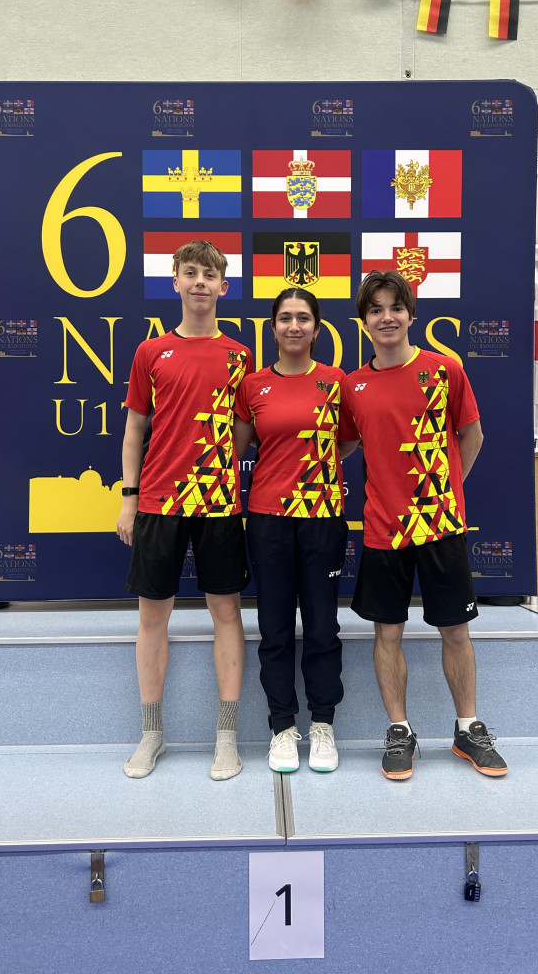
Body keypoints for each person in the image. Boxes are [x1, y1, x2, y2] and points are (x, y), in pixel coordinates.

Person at [340, 270, 508, 780]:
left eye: (395, 307)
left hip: (440, 525)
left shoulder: (443, 370)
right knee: (387, 631)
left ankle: (468, 728)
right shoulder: (353, 385)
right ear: (364, 321)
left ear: (411, 315)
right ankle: (399, 731)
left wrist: (448, 491)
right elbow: (343, 445)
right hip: (382, 529)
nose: (386, 317)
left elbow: (472, 435)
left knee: (455, 629)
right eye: (375, 309)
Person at [116, 240, 252, 781]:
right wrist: (130, 496)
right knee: (153, 616)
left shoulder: (240, 357)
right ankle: (151, 735)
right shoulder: (151, 353)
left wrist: (219, 471)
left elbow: (243, 434)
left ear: (224, 287)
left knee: (226, 613)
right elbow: (134, 430)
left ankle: (227, 738)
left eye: (210, 274)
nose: (200, 282)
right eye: (190, 273)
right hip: (157, 502)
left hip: (218, 503)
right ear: (174, 282)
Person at [234, 289, 353, 773]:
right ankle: (282, 727)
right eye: (285, 318)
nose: (294, 326)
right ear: (273, 326)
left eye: (303, 318)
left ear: (317, 327)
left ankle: (322, 725)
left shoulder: (336, 381)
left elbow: (346, 442)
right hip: (268, 520)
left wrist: (312, 469)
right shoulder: (252, 386)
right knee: (276, 629)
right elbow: (243, 449)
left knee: (323, 626)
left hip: (324, 519)